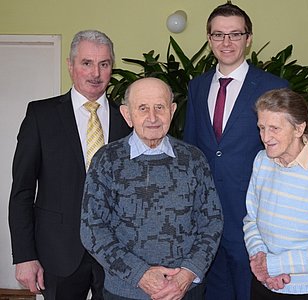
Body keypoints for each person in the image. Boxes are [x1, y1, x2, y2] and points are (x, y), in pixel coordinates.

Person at [8, 30, 131, 299]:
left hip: (117, 256)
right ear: (70, 65)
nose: (95, 73)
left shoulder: (128, 120)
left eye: (104, 64)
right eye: (87, 63)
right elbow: (22, 191)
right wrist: (25, 256)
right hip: (58, 254)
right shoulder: (41, 116)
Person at [80, 77, 223, 300]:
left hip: (185, 291)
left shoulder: (194, 159)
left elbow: (212, 221)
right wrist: (140, 275)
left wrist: (186, 275)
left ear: (172, 110)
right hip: (124, 292)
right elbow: (92, 229)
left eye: (160, 107)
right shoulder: (106, 160)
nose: (153, 117)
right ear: (127, 115)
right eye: (143, 108)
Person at [183, 3, 289, 299]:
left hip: (252, 218)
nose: (226, 43)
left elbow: (285, 156)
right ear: (208, 39)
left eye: (234, 34)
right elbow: (192, 149)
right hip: (204, 220)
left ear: (248, 38)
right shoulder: (197, 86)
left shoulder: (273, 87)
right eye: (218, 35)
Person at [243, 88, 308, 300]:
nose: (265, 137)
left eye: (274, 128)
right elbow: (251, 220)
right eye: (261, 128)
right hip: (265, 284)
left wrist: (273, 264)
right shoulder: (262, 161)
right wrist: (260, 259)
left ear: (299, 128)